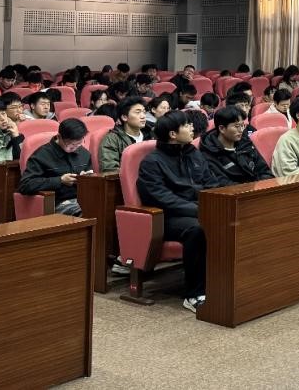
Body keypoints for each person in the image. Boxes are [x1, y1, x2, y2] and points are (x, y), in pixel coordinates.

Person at [137, 110, 224, 313]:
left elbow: (211, 182)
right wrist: (200, 210)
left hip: (199, 209)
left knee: (231, 217)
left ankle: (224, 282)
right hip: (167, 217)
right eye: (186, 125)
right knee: (197, 229)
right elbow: (162, 198)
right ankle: (194, 294)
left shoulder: (193, 153)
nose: (192, 128)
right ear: (173, 134)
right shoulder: (152, 162)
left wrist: (217, 204)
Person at [17, 117, 93, 216]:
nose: (74, 148)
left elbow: (90, 174)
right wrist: (60, 180)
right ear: (59, 137)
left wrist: (86, 179)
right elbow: (25, 185)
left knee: (104, 208)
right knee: (90, 212)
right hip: (57, 202)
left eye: (78, 144)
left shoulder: (83, 153)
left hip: (82, 198)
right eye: (70, 144)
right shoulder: (41, 155)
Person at [201, 106, 273, 184]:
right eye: (237, 126)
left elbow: (265, 171)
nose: (241, 130)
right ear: (222, 128)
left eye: (243, 125)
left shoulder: (245, 143)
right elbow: (222, 184)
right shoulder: (209, 153)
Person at [99, 97, 150, 173]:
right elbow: (110, 169)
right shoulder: (112, 139)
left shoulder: (151, 135)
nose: (143, 116)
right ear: (124, 117)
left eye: (144, 112)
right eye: (138, 112)